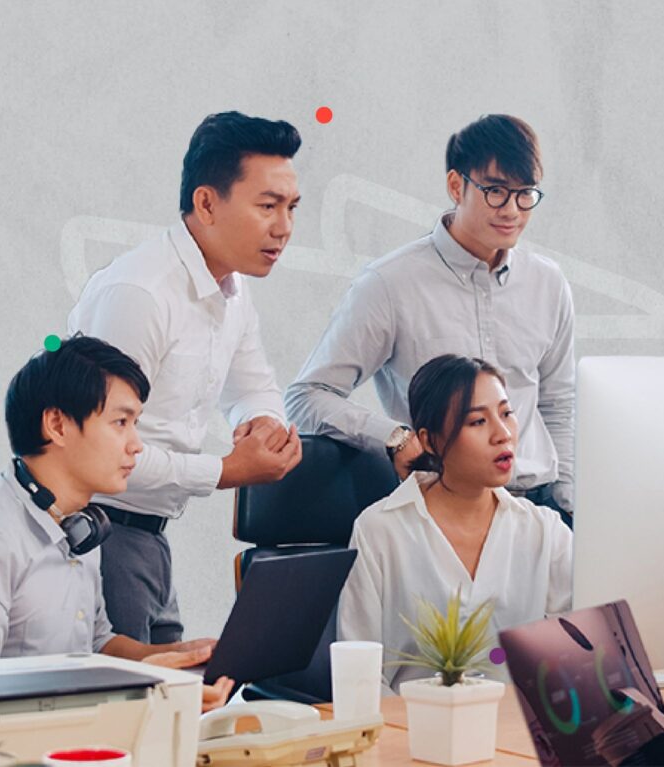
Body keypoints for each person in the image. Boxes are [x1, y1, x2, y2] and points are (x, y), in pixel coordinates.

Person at [67, 111, 303, 643]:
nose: (284, 227)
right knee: (132, 694)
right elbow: (95, 450)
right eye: (267, 206)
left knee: (178, 688)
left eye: (291, 207)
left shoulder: (232, 290)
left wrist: (264, 423)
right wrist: (226, 470)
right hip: (101, 531)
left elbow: (253, 385)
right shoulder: (141, 294)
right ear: (206, 203)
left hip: (149, 536)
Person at [0, 336, 233, 711]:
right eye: (121, 422)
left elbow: (97, 644)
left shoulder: (77, 525)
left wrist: (182, 659)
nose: (137, 444)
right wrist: (143, 690)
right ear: (58, 425)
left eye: (135, 424)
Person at [286, 114, 576, 525]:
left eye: (525, 193)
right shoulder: (389, 284)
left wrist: (570, 507)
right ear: (456, 186)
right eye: (495, 191)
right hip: (441, 514)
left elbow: (558, 405)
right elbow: (307, 395)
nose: (512, 210)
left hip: (540, 512)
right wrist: (392, 437)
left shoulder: (548, 282)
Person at [337, 354, 573, 692]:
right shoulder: (379, 530)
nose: (503, 434)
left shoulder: (545, 531)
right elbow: (360, 676)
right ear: (430, 440)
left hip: (513, 722)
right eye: (477, 421)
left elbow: (582, 652)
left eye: (506, 413)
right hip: (410, 721)